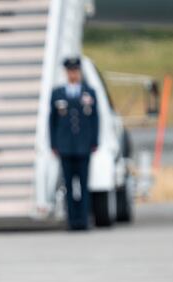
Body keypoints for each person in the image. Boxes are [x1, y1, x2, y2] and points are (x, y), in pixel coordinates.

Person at [49, 57, 99, 230]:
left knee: (84, 185)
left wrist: (94, 141)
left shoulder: (89, 92)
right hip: (65, 146)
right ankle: (72, 220)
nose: (73, 74)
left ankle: (83, 219)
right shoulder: (58, 94)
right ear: (66, 72)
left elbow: (94, 119)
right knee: (69, 185)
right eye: (70, 71)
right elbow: (52, 122)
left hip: (83, 146)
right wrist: (53, 144)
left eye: (76, 71)